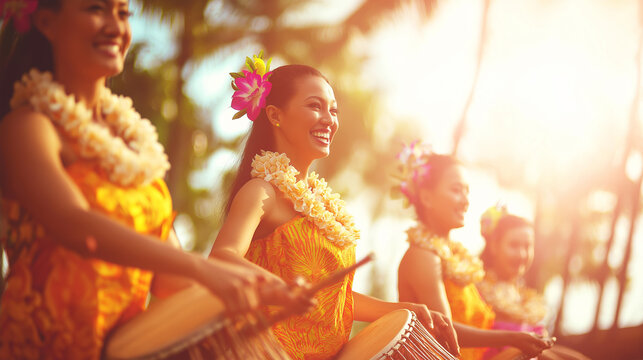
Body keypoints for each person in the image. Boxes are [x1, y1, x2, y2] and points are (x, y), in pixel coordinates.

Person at [0, 1, 302, 359]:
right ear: (47, 22)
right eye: (96, 9)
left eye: (123, 13)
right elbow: (75, 225)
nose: (115, 26)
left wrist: (258, 287)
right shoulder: (27, 128)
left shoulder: (132, 147)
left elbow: (171, 279)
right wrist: (204, 269)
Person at [209, 55, 460, 360]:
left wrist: (400, 309)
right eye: (315, 106)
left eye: (333, 110)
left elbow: (334, 299)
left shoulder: (323, 205)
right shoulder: (261, 192)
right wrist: (280, 288)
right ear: (275, 115)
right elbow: (222, 257)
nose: (329, 119)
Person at [394, 142, 552, 360]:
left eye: (467, 191)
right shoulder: (423, 257)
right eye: (456, 190)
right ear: (426, 196)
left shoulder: (454, 259)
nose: (466, 201)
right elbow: (444, 332)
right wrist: (512, 339)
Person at [478, 206, 592, 360]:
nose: (522, 254)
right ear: (493, 246)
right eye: (514, 245)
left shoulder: (523, 297)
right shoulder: (477, 288)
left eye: (527, 246)